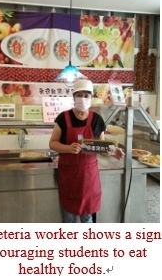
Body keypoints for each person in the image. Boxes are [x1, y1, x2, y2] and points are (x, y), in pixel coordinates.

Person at [49, 79, 124, 223]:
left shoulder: (97, 120)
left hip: (89, 177)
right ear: (73, 97)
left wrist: (113, 151)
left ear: (91, 98)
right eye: (79, 95)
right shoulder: (63, 118)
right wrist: (68, 148)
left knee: (87, 216)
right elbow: (53, 143)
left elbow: (101, 146)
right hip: (69, 176)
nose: (83, 98)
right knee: (69, 217)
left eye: (86, 95)